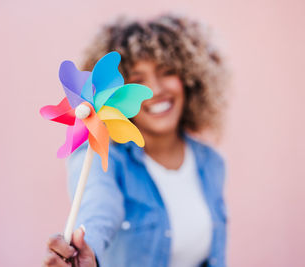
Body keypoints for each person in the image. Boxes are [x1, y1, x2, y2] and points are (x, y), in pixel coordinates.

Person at [43, 13, 229, 267]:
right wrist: (87, 250)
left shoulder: (211, 162)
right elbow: (97, 208)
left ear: (190, 78)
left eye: (167, 72)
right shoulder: (102, 157)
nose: (154, 90)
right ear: (114, 95)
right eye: (137, 80)